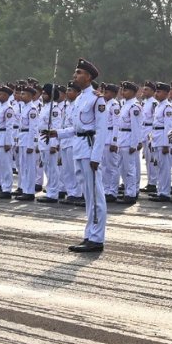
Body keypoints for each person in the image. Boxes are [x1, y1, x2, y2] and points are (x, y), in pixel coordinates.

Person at [46, 59, 108, 253]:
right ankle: (89, 234)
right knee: (88, 195)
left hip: (90, 149)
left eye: (79, 72)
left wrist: (96, 157)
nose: (75, 76)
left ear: (88, 77)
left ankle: (97, 238)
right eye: (75, 72)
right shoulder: (80, 99)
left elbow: (101, 130)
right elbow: (77, 128)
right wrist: (58, 133)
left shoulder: (97, 99)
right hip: (79, 148)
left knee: (95, 195)